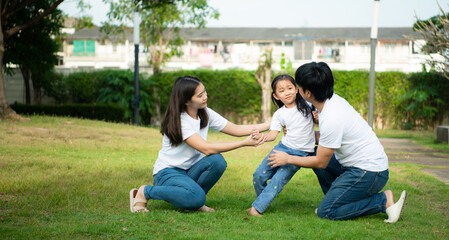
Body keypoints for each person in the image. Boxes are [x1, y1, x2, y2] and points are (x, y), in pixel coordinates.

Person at [267, 62, 407, 223]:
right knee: (312, 151)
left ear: (308, 93)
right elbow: (326, 139)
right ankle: (338, 200)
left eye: (297, 86)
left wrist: (288, 158)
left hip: (369, 172)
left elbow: (321, 161)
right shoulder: (331, 101)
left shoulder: (332, 117)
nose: (295, 90)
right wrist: (296, 133)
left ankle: (382, 201)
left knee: (326, 212)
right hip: (355, 165)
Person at [129, 76, 270, 213]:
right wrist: (244, 143)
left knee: (217, 161)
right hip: (167, 173)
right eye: (200, 95)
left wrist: (271, 124)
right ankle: (145, 191)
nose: (205, 97)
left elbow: (236, 129)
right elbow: (206, 149)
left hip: (189, 171)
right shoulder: (181, 121)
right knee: (198, 195)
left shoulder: (204, 113)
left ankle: (192, 201)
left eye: (205, 92)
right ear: (186, 101)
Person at [247, 74, 316, 217]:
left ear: (296, 89)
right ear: (276, 96)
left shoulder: (308, 106)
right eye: (282, 90)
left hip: (299, 153)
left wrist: (318, 118)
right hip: (281, 148)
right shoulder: (279, 114)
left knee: (277, 181)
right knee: (259, 175)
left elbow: (322, 120)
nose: (287, 92)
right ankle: (262, 202)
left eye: (290, 88)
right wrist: (261, 136)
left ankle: (257, 208)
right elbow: (273, 134)